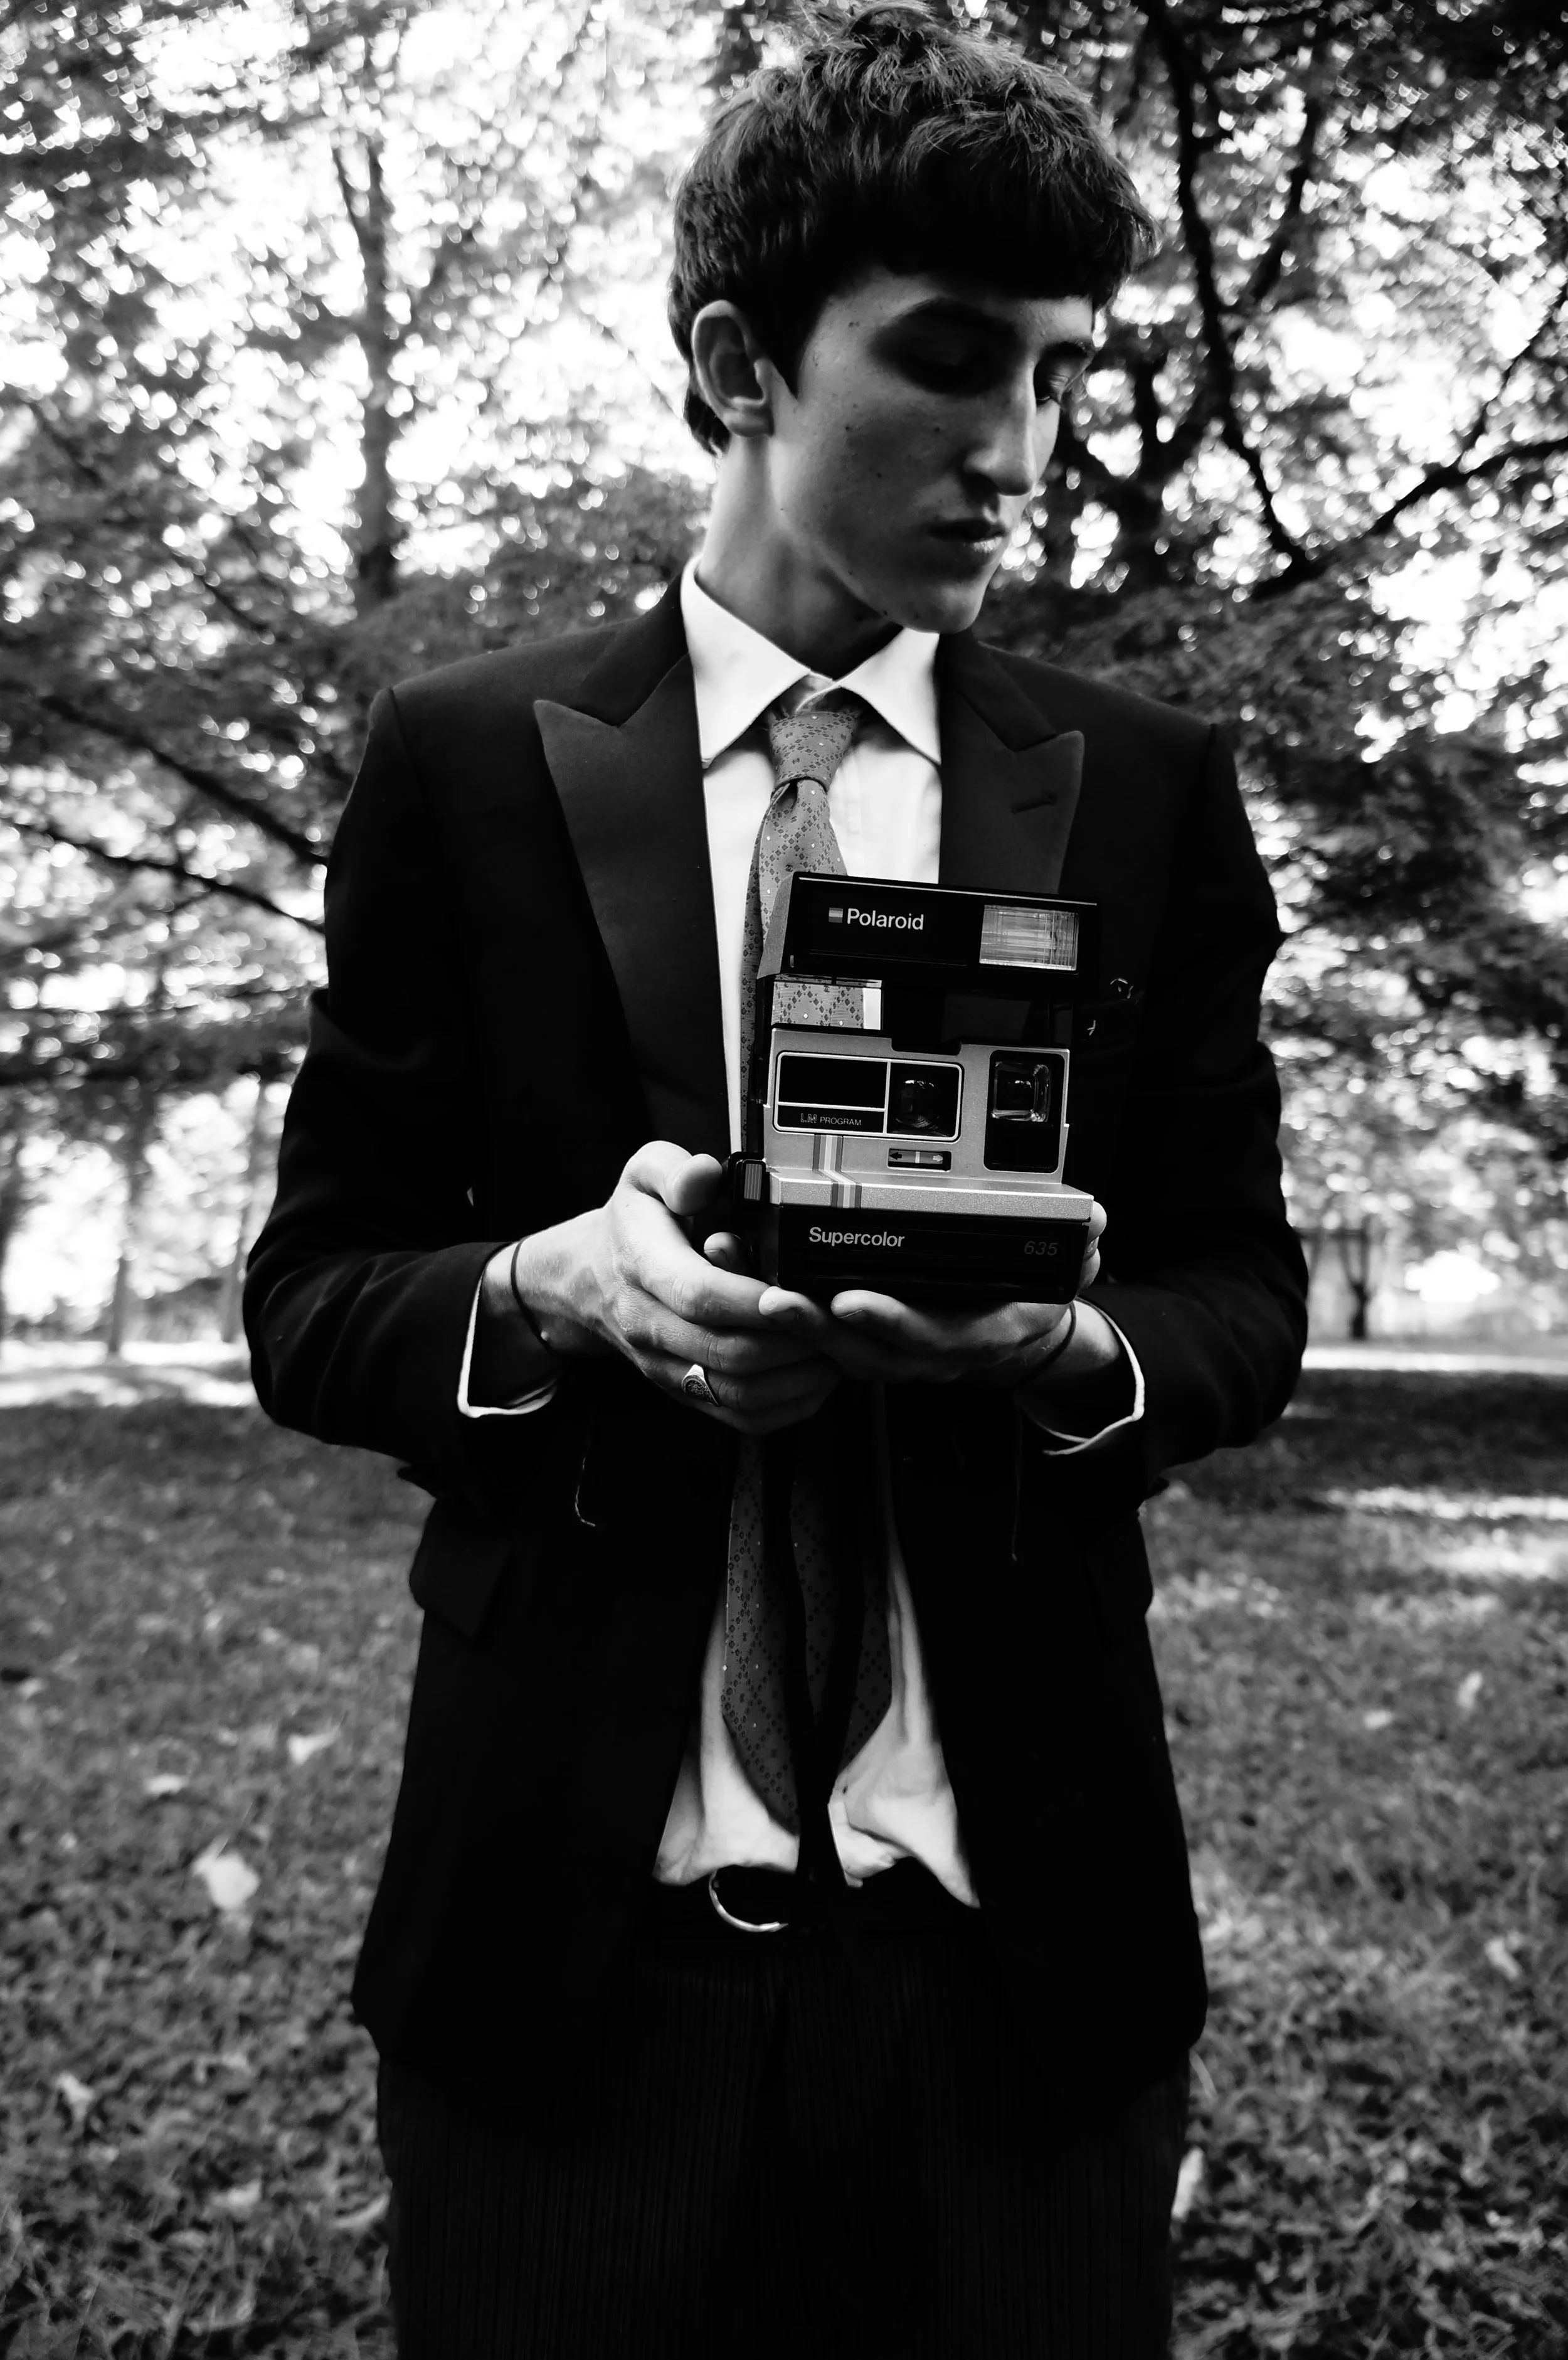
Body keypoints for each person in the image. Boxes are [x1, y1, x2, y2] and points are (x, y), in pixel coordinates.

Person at [245, 6, 1307, 2354]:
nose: (1015, 447)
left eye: (1056, 375)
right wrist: (548, 1290)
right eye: (948, 360)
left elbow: (1246, 1286)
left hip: (1014, 1977)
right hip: (571, 1981)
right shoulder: (460, 767)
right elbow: (312, 1296)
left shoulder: (1139, 793)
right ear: (737, 359)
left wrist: (1064, 1351)